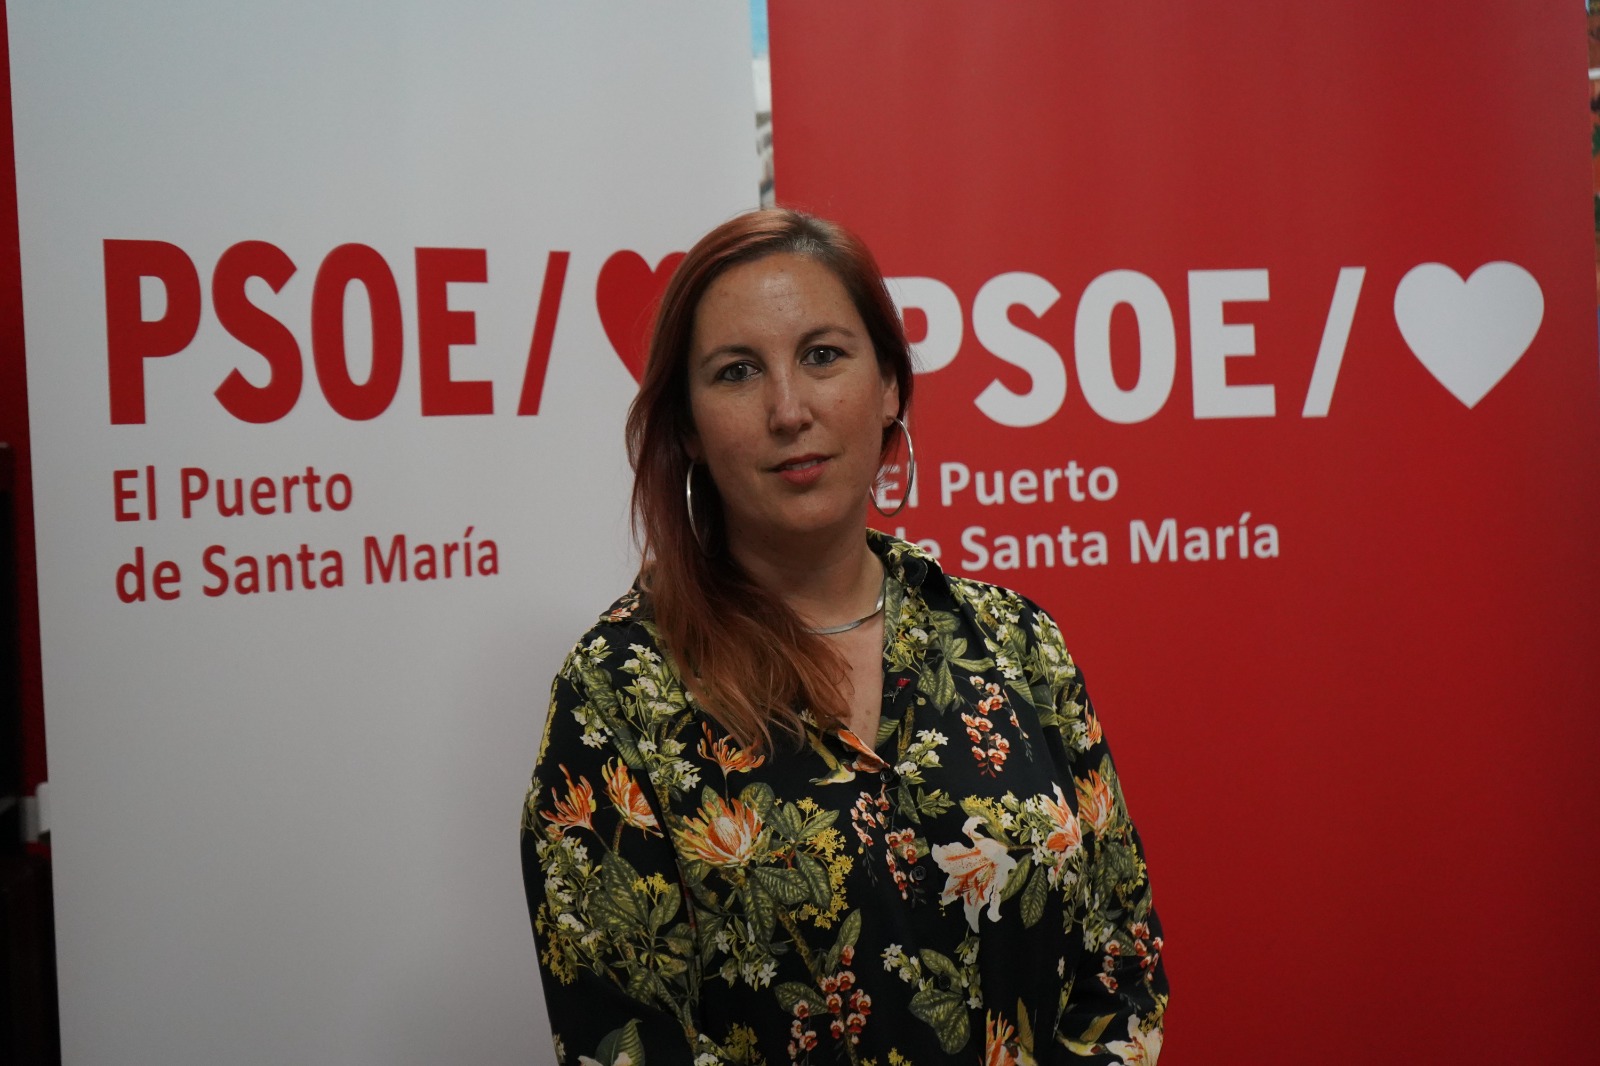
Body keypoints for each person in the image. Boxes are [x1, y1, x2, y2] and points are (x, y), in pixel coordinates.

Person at [521, 209, 1167, 1066]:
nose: (789, 410)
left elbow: (1120, 969)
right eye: (737, 372)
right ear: (688, 429)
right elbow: (620, 1041)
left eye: (823, 355)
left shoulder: (1016, 641)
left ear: (890, 385)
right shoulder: (617, 690)